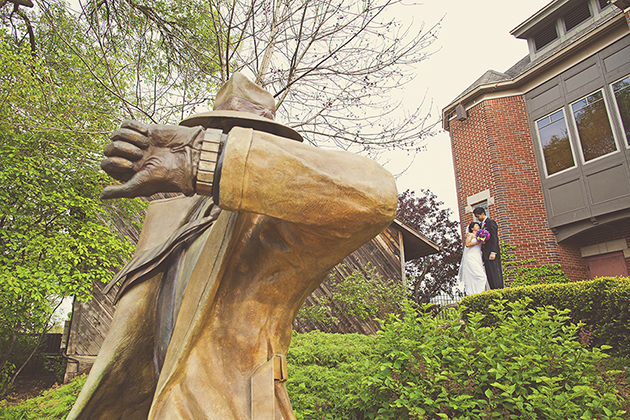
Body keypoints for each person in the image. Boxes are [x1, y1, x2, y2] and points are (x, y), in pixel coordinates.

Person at [66, 73, 398, 420]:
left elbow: (377, 196)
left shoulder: (283, 225)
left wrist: (202, 157)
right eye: (220, 130)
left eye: (242, 134)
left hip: (236, 409)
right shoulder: (170, 218)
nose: (228, 139)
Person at [473, 206, 504, 289]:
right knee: (490, 274)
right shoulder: (481, 225)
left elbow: (494, 238)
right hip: (486, 253)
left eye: (478, 216)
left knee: (495, 273)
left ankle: (499, 291)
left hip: (491, 253)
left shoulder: (490, 223)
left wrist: (493, 252)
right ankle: (493, 290)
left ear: (483, 213)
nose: (477, 219)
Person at [457, 222, 489, 295]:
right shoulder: (470, 235)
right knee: (481, 276)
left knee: (476, 275)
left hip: (478, 256)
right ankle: (477, 293)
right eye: (476, 226)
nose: (478, 227)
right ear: (472, 228)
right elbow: (467, 244)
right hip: (471, 256)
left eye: (478, 226)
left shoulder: (480, 235)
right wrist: (477, 242)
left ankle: (477, 292)